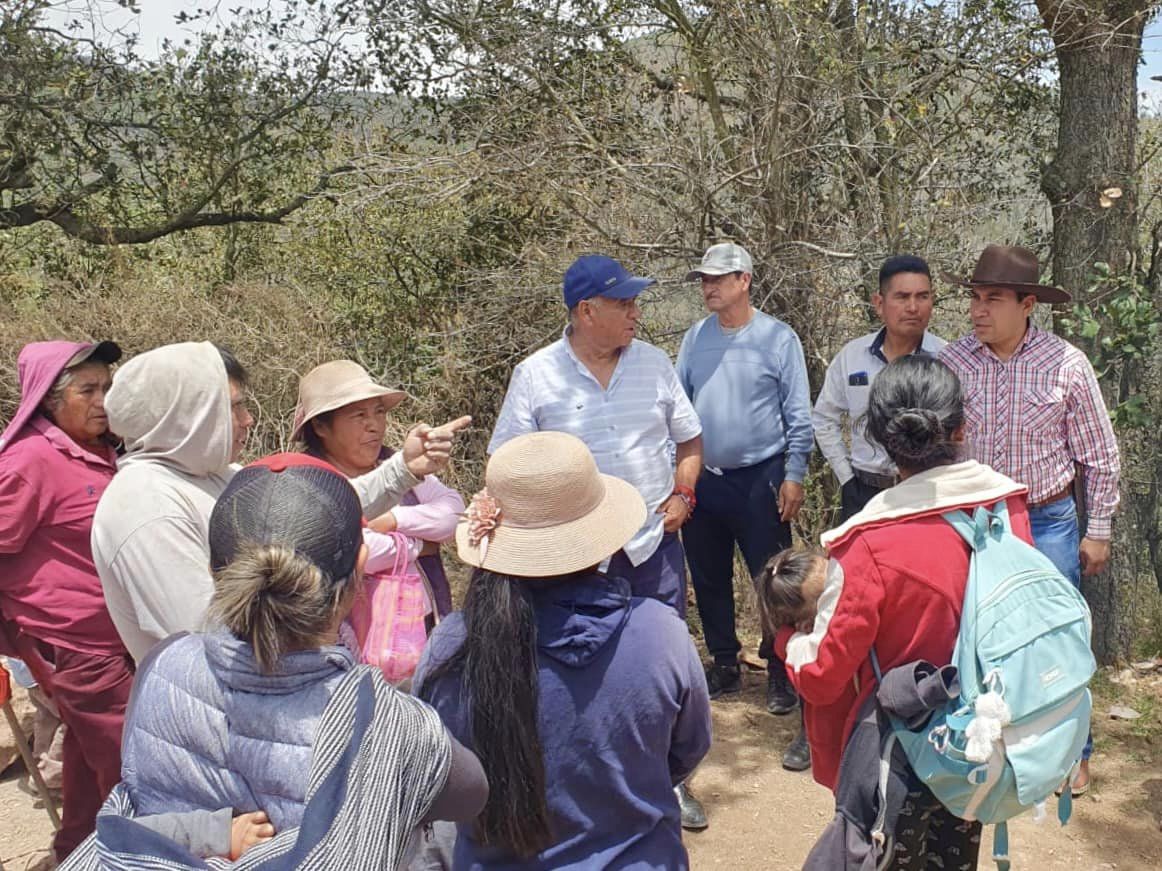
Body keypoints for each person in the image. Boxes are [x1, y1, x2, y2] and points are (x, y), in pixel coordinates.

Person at [81, 454, 487, 867]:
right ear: (360, 569)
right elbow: (472, 794)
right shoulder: (386, 720)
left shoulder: (161, 666)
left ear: (215, 573)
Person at [777, 356, 1035, 870]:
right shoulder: (1006, 511)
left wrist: (787, 642)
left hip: (897, 753)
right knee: (956, 852)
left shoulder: (867, 543)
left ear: (877, 437)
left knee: (887, 854)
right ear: (964, 427)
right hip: (978, 738)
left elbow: (825, 676)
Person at [415, 431, 712, 870]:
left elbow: (438, 774)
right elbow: (687, 749)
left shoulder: (451, 646)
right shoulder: (659, 633)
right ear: (600, 538)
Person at [488, 254, 706, 826]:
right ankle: (583, 779)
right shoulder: (536, 375)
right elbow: (505, 461)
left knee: (662, 661)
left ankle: (669, 781)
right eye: (625, 303)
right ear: (587, 311)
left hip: (650, 546)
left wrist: (684, 496)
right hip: (572, 557)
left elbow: (690, 441)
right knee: (576, 671)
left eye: (636, 302)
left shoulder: (655, 364)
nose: (637, 312)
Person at [93, 342, 471, 662]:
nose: (249, 420)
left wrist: (402, 469)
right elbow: (212, 636)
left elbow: (318, 510)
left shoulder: (211, 474)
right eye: (235, 407)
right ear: (189, 414)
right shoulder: (146, 507)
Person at [939, 244, 1120, 794]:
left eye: (992, 298)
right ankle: (981, 742)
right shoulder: (953, 361)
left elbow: (1101, 455)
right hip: (972, 523)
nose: (977, 310)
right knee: (967, 631)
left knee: (1055, 637)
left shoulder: (1066, 365)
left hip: (1047, 520)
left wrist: (1099, 530)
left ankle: (1072, 753)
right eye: (973, 297)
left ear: (1027, 305)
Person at [676, 242, 814, 772]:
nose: (708, 287)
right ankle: (726, 663)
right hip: (705, 478)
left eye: (718, 278)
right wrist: (680, 479)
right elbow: (680, 409)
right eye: (703, 279)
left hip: (763, 476)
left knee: (772, 578)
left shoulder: (778, 339)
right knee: (708, 575)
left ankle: (780, 670)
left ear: (744, 280)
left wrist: (794, 474)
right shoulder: (695, 339)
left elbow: (796, 411)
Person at [0, 339, 135, 861]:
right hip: (75, 645)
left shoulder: (106, 451)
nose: (104, 400)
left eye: (108, 387)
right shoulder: (29, 462)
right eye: (88, 390)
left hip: (113, 637)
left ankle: (74, 851)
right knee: (133, 764)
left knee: (86, 766)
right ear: (50, 400)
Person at [295, 359, 464, 678]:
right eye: (359, 415)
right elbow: (360, 551)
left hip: (421, 635)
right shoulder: (309, 481)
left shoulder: (395, 464)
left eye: (379, 412)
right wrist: (419, 543)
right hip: (344, 653)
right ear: (320, 426)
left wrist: (394, 519)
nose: (374, 425)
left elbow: (452, 514)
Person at [814, 255, 946, 521]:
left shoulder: (946, 358)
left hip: (929, 494)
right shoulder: (852, 356)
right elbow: (823, 418)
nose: (913, 307)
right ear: (879, 303)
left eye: (922, 296)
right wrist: (846, 478)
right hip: (865, 493)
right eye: (902, 296)